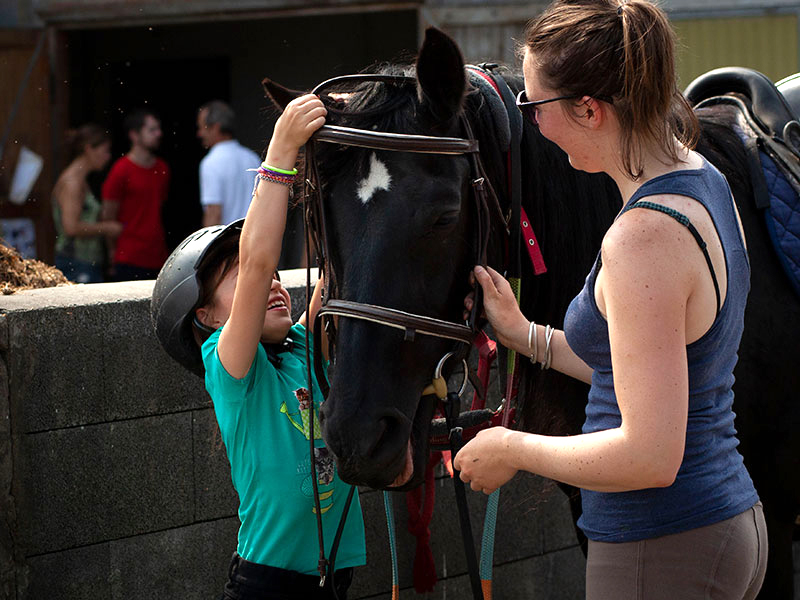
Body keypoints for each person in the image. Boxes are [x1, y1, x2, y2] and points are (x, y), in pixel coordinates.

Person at [453, 0, 767, 598]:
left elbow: (650, 455)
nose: (532, 124)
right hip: (712, 525)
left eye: (534, 106)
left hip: (662, 542)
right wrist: (526, 335)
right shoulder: (700, 177)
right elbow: (641, 365)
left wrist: (511, 446)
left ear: (590, 110)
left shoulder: (642, 239)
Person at [151, 93, 365, 600]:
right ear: (205, 317)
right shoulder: (230, 370)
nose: (268, 282)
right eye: (243, 279)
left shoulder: (307, 349)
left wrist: (345, 157)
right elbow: (257, 258)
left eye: (273, 276)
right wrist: (280, 151)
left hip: (335, 576)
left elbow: (345, 260)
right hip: (266, 585)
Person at [101, 109, 170, 281]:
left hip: (158, 256)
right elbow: (108, 216)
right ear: (134, 135)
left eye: (158, 129)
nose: (158, 134)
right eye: (152, 130)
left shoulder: (162, 169)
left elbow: (158, 208)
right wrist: (111, 253)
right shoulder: (121, 170)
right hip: (129, 257)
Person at [52, 124, 122, 283]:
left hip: (84, 261)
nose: (108, 156)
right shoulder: (72, 182)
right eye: (105, 150)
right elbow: (70, 227)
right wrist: (108, 228)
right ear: (89, 149)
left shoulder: (81, 180)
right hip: (76, 262)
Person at [196, 100, 262, 227]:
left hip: (228, 243)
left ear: (216, 127)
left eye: (202, 127)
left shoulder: (211, 163)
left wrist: (209, 246)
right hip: (254, 239)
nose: (199, 133)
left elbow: (213, 213)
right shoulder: (252, 157)